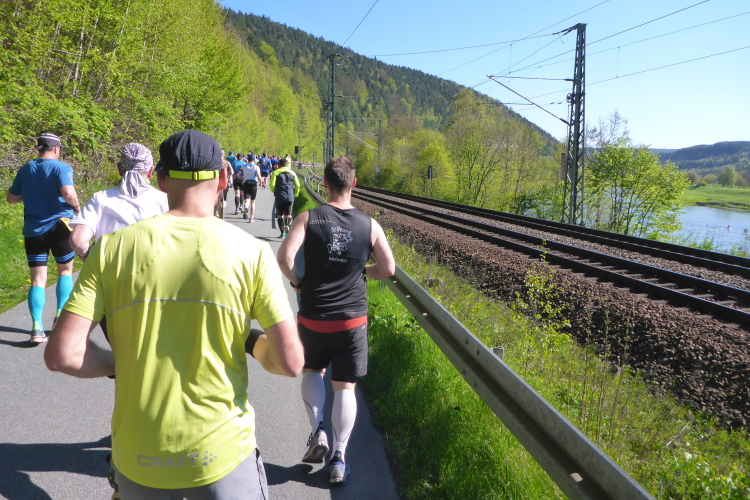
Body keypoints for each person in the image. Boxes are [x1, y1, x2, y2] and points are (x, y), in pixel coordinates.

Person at [45, 129, 304, 499]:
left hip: (138, 456)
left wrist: (121, 363)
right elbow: (290, 362)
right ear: (223, 178)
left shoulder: (110, 250)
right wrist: (251, 342)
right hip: (222, 454)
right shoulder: (253, 253)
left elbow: (63, 356)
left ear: (162, 179)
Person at [277, 156, 395, 484]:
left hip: (314, 316)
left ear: (326, 184)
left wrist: (298, 283)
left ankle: (318, 430)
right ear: (353, 184)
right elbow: (388, 268)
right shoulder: (370, 225)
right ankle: (340, 457)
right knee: (345, 386)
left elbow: (284, 258)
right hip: (351, 321)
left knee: (313, 370)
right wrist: (362, 271)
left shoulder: (308, 218)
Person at [6, 132, 81, 344]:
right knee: (65, 270)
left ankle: (36, 329)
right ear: (56, 149)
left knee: (37, 279)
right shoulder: (61, 168)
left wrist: (30, 195)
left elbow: (11, 198)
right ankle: (59, 320)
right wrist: (77, 208)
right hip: (60, 227)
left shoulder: (25, 169)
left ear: (39, 148)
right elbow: (68, 193)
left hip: (33, 231)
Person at [69, 143, 168, 259]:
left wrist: (90, 258)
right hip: (149, 266)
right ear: (151, 171)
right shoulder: (165, 200)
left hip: (107, 268)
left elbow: (78, 241)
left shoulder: (100, 199)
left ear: (119, 169)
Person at [269, 158, 300, 238]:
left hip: (279, 196)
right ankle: (288, 225)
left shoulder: (276, 172)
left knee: (280, 215)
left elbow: (271, 185)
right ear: (287, 165)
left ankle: (282, 233)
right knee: (288, 214)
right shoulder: (292, 173)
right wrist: (295, 194)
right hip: (290, 195)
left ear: (279, 165)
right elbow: (297, 185)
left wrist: (275, 191)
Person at [239, 155, 261, 223]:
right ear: (254, 160)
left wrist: (242, 178)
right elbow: (259, 176)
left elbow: (237, 175)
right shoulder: (256, 167)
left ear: (247, 159)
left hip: (246, 184)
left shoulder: (244, 166)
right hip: (253, 185)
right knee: (253, 201)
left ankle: (246, 208)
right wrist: (261, 182)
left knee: (246, 200)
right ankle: (251, 218)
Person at [215, 150, 234, 220]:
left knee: (216, 197)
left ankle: (216, 210)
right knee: (224, 198)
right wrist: (227, 175)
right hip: (225, 182)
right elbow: (232, 172)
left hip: (216, 182)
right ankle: (223, 206)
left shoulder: (215, 162)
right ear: (223, 155)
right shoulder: (227, 162)